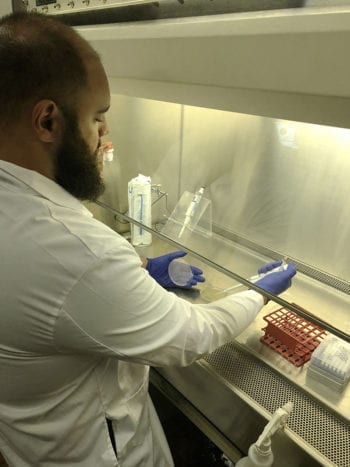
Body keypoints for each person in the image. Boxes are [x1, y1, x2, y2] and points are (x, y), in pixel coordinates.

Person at [0, 11, 296, 467]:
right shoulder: (71, 251)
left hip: (30, 440)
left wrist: (135, 275)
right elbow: (192, 336)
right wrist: (256, 293)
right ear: (47, 122)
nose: (105, 133)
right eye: (97, 117)